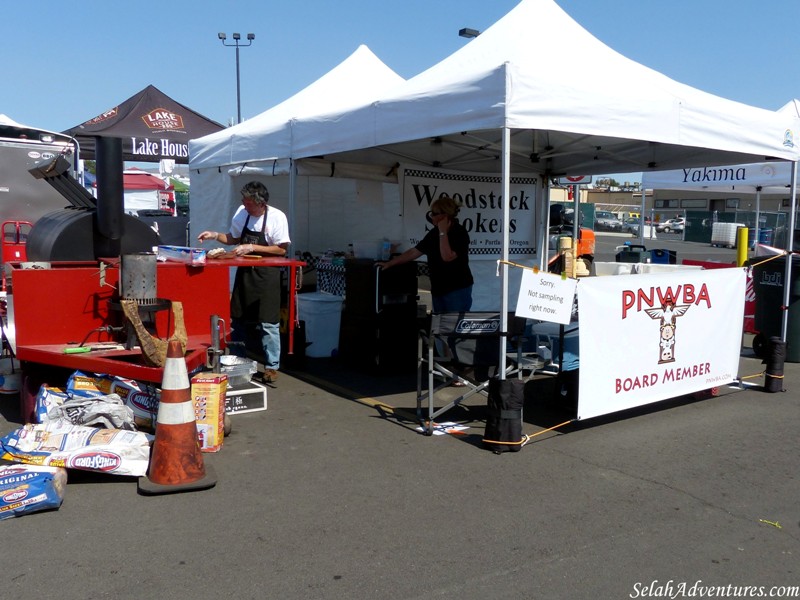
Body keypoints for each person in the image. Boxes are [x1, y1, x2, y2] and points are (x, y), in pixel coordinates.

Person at [197, 181, 290, 384]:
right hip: (245, 274)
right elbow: (232, 238)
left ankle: (272, 366)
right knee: (237, 320)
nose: (243, 204)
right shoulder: (242, 212)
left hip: (267, 276)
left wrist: (252, 247)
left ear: (260, 203)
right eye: (244, 201)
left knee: (268, 323)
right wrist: (214, 235)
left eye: (247, 202)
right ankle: (238, 362)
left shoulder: (277, 217)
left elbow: (281, 249)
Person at [378, 194, 473, 313]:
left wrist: (443, 232)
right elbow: (414, 252)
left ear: (445, 215)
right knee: (440, 326)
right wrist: (391, 263)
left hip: (457, 289)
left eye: (434, 213)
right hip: (439, 288)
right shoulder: (433, 233)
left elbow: (447, 256)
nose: (431, 216)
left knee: (454, 327)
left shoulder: (459, 233)